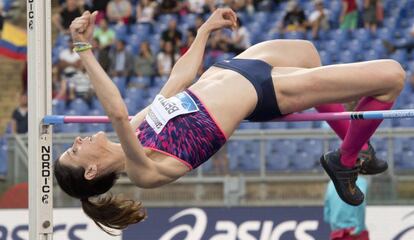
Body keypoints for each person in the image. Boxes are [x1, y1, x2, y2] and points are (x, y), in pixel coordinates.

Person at [54, 9, 405, 234]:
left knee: (309, 53)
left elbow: (177, 80)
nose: (80, 140)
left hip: (234, 67)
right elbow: (115, 109)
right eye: (75, 150)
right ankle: (346, 160)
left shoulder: (136, 128)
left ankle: (358, 148)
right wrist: (83, 48)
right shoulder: (142, 168)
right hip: (263, 90)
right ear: (91, 171)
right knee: (392, 78)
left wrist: (205, 29)